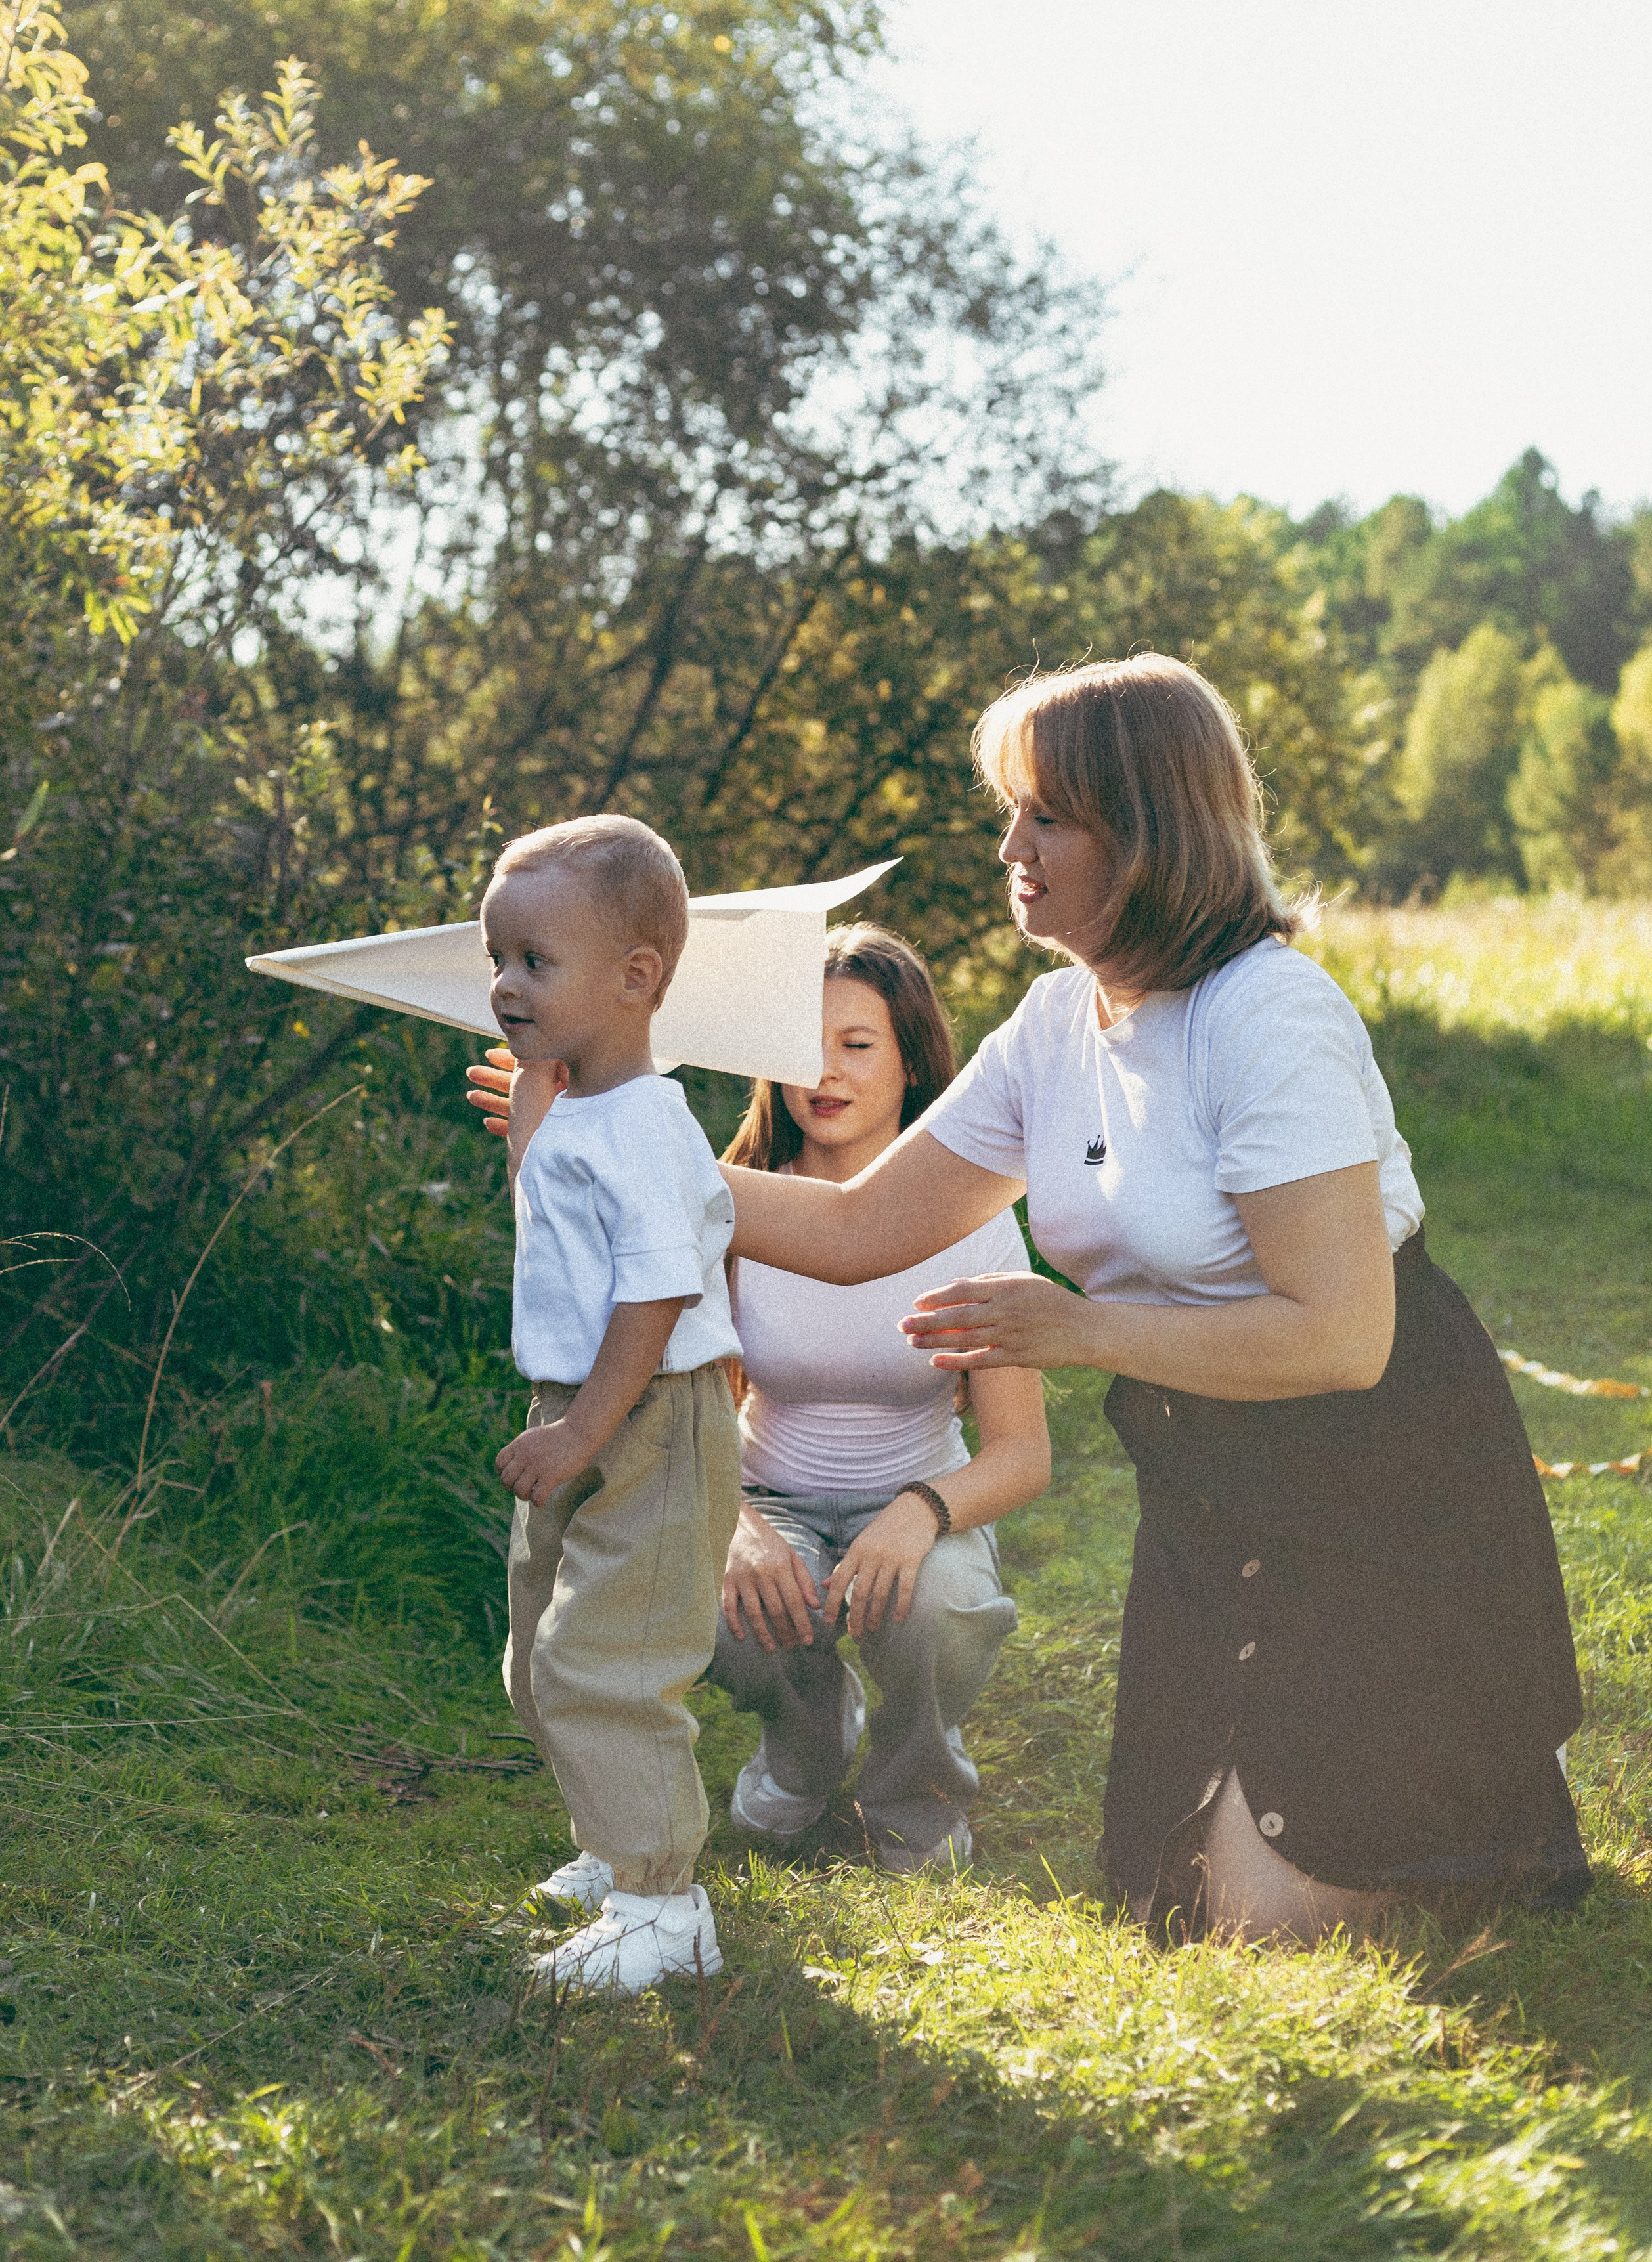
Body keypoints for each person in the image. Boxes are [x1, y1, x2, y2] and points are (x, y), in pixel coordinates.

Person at [718, 656, 1589, 1940]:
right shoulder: (1053, 1025)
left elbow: (1345, 1339)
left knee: (1263, 1923)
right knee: (1164, 1899)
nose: (1008, 844)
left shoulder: (1267, 1013)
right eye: (1008, 810)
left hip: (1381, 1474)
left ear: (1147, 831)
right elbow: (857, 1227)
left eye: (1045, 816)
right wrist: (619, 1149)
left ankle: (1476, 1764)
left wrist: (1078, 1331)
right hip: (1213, 1495)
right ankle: (1427, 1781)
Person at [711, 926, 1050, 1873]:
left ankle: (919, 1789)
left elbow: (1023, 1454)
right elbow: (683, 1411)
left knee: (934, 1604)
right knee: (707, 1598)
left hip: (920, 1499)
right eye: (802, 1047)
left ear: (912, 1064)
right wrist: (734, 1523)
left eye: (857, 1045)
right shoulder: (738, 1207)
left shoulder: (975, 1221)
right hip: (770, 1499)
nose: (825, 1072)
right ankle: (806, 1741)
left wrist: (920, 1511)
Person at [475, 813, 743, 1995]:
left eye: (536, 962)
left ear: (638, 979)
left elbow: (657, 1290)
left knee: (610, 1657)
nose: (503, 985)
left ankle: (663, 1904)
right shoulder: (583, 1106)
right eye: (501, 959)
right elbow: (574, 1245)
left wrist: (586, 1427)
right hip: (579, 1402)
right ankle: (608, 1837)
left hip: (651, 1412)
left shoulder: (646, 1120)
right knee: (539, 1652)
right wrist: (531, 1123)